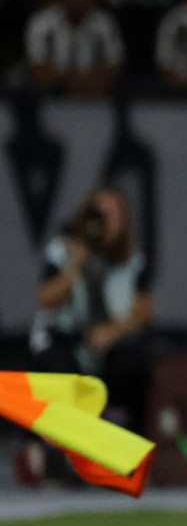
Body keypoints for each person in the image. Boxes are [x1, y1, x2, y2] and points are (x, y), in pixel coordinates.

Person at [29, 186, 153, 463]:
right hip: (61, 338)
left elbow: (144, 312)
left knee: (134, 364)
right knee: (64, 374)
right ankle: (57, 457)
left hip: (103, 343)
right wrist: (74, 267)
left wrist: (114, 330)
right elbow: (46, 299)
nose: (106, 222)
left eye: (114, 214)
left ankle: (130, 452)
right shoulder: (63, 250)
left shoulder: (131, 259)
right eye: (100, 214)